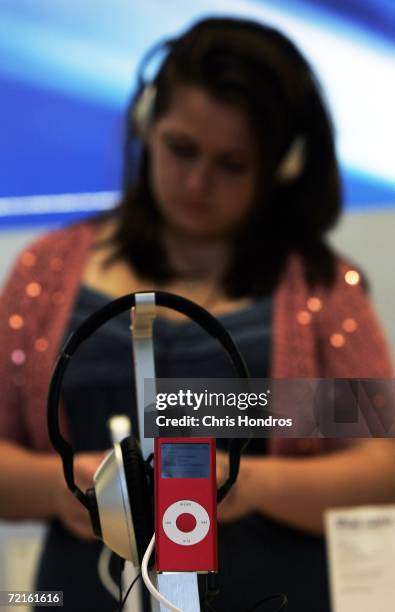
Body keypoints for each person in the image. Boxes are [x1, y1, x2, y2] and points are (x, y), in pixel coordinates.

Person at [0, 16, 394, 612]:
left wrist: (242, 483)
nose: (196, 182)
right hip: (84, 592)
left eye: (231, 164)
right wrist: (73, 488)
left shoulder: (314, 290)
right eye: (181, 149)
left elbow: (381, 464)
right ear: (146, 127)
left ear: (280, 167)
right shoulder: (47, 273)